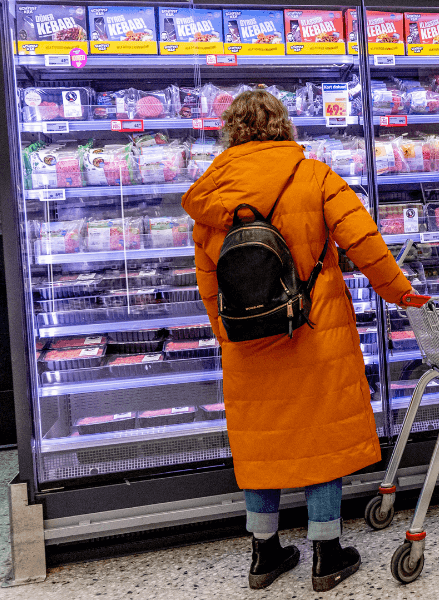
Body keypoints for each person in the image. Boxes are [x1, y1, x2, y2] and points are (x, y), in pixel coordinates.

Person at [182, 90, 425, 592]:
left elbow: (209, 279)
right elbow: (364, 242)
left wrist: (228, 331)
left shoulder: (211, 194)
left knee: (262, 444)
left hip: (247, 339)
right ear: (283, 126)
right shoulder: (313, 176)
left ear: (233, 131)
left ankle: (264, 555)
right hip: (314, 330)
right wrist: (400, 293)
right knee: (321, 440)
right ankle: (327, 555)